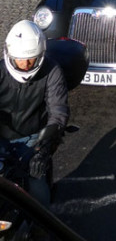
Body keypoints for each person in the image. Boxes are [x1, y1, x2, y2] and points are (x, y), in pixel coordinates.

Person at [0, 20, 69, 207]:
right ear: (9, 55)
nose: (25, 65)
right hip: (1, 139)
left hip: (33, 140)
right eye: (20, 61)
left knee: (39, 195)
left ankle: (41, 229)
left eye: (30, 60)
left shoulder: (52, 71)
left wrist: (43, 149)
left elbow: (58, 111)